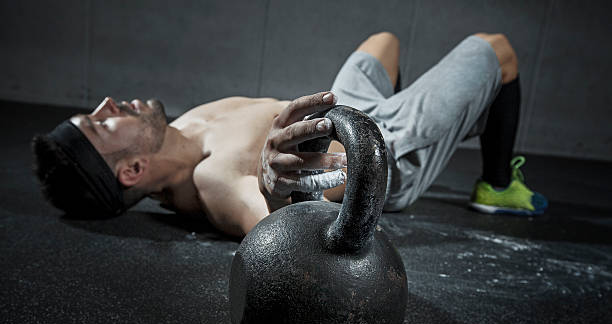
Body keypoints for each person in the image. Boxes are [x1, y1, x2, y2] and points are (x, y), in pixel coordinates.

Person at [32, 32, 547, 238]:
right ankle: (495, 185)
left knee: (383, 43)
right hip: (378, 146)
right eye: (101, 124)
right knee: (495, 50)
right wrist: (279, 189)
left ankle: (446, 118)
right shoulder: (215, 182)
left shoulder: (183, 128)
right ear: (132, 170)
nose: (107, 105)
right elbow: (289, 231)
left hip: (351, 108)